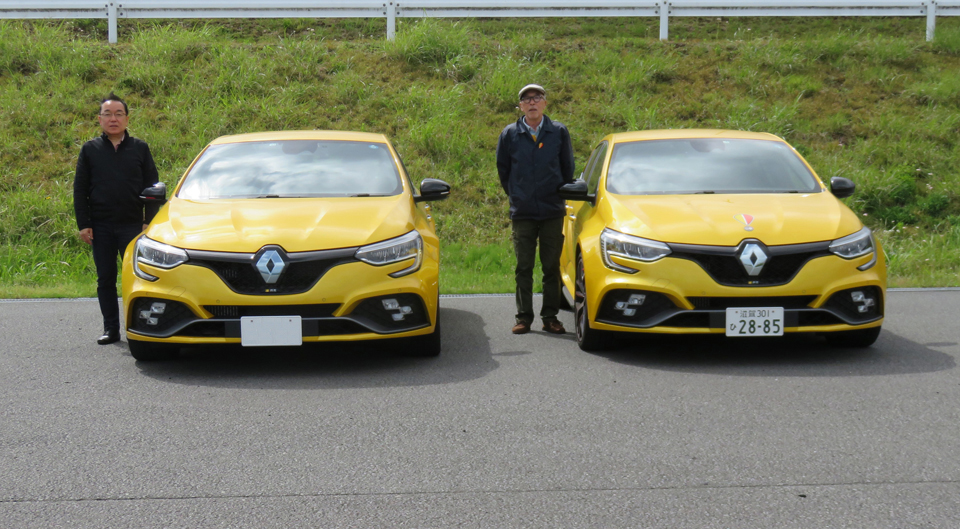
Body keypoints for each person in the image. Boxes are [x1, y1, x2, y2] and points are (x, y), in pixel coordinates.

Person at [73, 93, 160, 345]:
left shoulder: (140, 148)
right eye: (108, 114)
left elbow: (152, 188)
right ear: (99, 119)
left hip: (134, 226)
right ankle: (111, 329)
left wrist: (149, 221)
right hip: (100, 227)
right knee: (106, 279)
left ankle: (144, 328)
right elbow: (80, 189)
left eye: (118, 114)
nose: (113, 119)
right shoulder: (90, 150)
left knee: (141, 278)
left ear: (127, 119)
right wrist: (84, 224)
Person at [496, 84, 575, 335]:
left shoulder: (558, 132)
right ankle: (523, 317)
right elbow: (504, 171)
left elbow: (567, 168)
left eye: (537, 98)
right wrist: (518, 195)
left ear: (544, 103)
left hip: (552, 210)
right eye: (527, 99)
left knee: (551, 267)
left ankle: (550, 317)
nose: (532, 102)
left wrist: (556, 195)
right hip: (523, 212)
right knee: (524, 267)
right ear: (520, 106)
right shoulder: (509, 134)